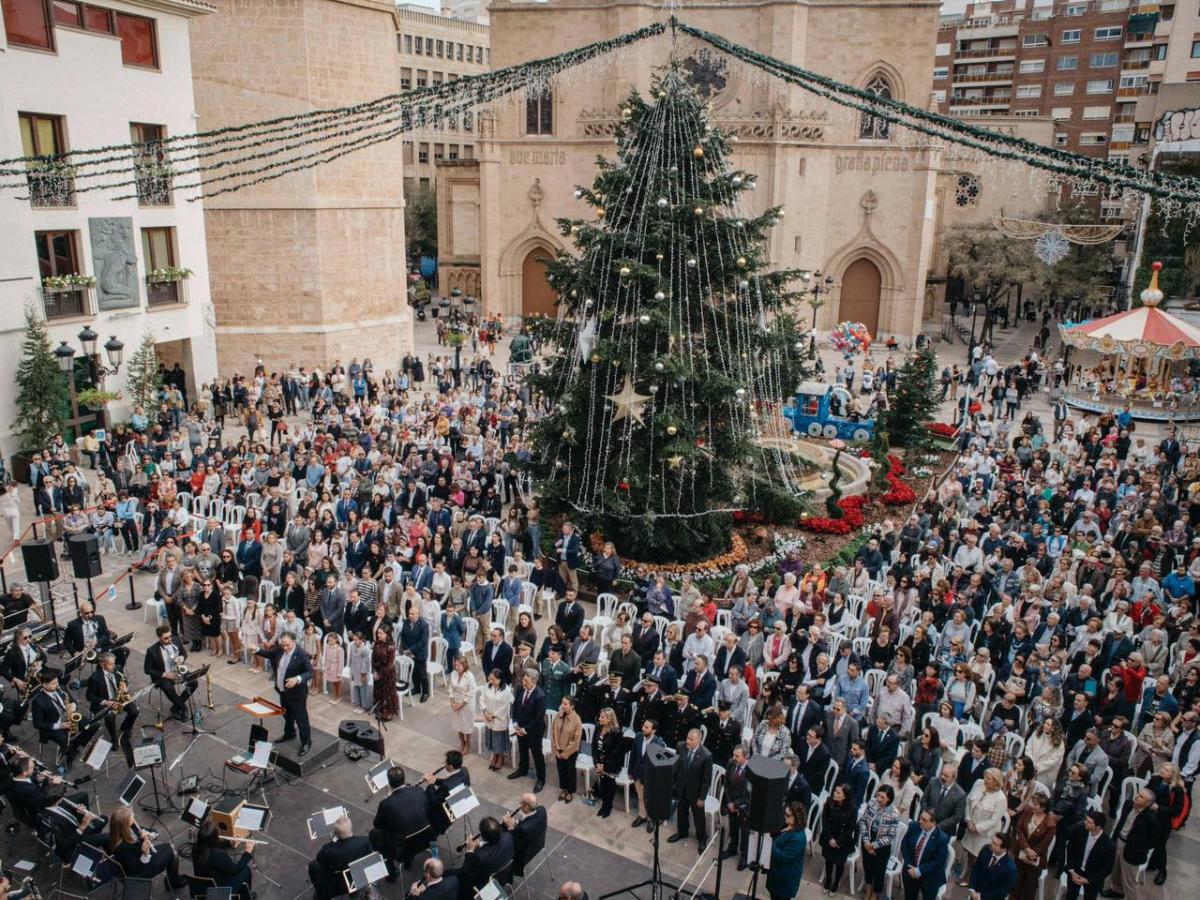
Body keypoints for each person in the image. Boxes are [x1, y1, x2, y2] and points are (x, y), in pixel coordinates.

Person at [254, 631, 313, 756]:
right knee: (286, 714)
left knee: (301, 718)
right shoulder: (280, 649)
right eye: (283, 645)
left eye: (287, 645)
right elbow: (270, 653)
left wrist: (297, 679)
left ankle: (307, 742)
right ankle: (289, 733)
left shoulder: (302, 655)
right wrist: (258, 649)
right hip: (282, 690)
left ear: (293, 642)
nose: (285, 648)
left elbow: (309, 672)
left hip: (297, 694)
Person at [370, 766, 433, 876]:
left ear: (389, 784)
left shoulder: (386, 804)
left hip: (402, 848)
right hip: (425, 839)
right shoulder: (419, 791)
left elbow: (377, 824)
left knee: (374, 834)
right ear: (404, 779)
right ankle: (408, 861)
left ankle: (391, 871)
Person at [1107, 787, 1162, 899]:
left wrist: (1139, 847)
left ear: (1148, 803)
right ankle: (1117, 891)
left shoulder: (1151, 819)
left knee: (1129, 881)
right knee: (1114, 871)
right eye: (1138, 794)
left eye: (1141, 797)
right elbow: (1121, 823)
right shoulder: (1128, 804)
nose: (1137, 796)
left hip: (1132, 850)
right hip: (1119, 841)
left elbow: (1155, 841)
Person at [107, 806, 183, 887]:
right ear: (125, 824)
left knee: (170, 846)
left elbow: (153, 831)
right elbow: (135, 869)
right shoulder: (122, 848)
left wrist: (150, 835)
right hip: (140, 871)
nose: (133, 816)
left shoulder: (130, 827)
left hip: (141, 857)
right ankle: (173, 882)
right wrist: (145, 854)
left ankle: (173, 879)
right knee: (174, 854)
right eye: (131, 817)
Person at [959, 767, 1007, 887]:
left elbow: (994, 820)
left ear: (996, 781)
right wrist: (968, 819)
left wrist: (977, 827)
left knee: (979, 857)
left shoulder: (1001, 798)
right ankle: (968, 874)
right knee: (970, 853)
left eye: (989, 779)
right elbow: (968, 802)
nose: (985, 780)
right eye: (985, 777)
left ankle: (972, 878)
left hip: (985, 834)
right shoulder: (979, 784)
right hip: (971, 827)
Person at [86, 652, 138, 758]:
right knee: (110, 717)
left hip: (118, 697)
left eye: (114, 663)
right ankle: (114, 738)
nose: (114, 666)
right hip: (105, 701)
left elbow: (124, 680)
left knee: (134, 711)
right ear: (102, 664)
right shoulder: (95, 678)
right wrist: (106, 702)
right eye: (111, 664)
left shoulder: (117, 668)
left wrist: (125, 686)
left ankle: (125, 728)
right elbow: (89, 696)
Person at [308, 816, 372, 900]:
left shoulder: (328, 849)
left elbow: (320, 859)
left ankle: (322, 896)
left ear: (336, 833)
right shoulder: (365, 841)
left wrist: (333, 840)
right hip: (357, 877)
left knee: (313, 865)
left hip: (337, 884)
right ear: (350, 827)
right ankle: (354, 891)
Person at [669, 727, 713, 849]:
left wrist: (702, 797)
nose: (688, 741)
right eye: (688, 738)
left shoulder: (706, 756)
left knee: (698, 817)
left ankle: (702, 837)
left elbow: (706, 779)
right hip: (681, 788)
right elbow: (675, 766)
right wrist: (672, 785)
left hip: (696, 792)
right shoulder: (680, 746)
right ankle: (682, 832)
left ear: (698, 741)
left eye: (692, 739)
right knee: (681, 812)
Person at [451, 816, 514, 900]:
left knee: (449, 874)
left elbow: (466, 871)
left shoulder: (478, 857)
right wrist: (480, 845)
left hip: (481, 882)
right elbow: (494, 847)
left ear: (483, 836)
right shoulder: (509, 837)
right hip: (502, 877)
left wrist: (470, 851)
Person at [143, 624, 195, 722]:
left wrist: (181, 658)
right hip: (164, 675)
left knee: (194, 682)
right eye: (166, 638)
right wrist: (164, 674)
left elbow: (184, 653)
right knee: (169, 688)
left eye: (170, 636)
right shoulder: (152, 651)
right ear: (159, 638)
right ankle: (183, 708)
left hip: (177, 670)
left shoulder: (175, 640)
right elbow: (147, 669)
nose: (170, 639)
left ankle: (176, 706)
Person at [1011, 792, 1057, 900]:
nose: (1032, 805)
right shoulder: (1027, 812)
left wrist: (1032, 853)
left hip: (1036, 858)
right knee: (1016, 881)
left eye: (1035, 804)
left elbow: (1045, 843)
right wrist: (1026, 848)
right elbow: (1019, 829)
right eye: (1032, 802)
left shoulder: (1050, 824)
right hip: (1021, 851)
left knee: (1029, 885)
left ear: (1043, 808)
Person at [192, 820, 254, 900]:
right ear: (215, 838)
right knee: (246, 870)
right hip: (221, 888)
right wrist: (247, 852)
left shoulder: (195, 848)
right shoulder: (218, 856)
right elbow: (235, 870)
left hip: (203, 884)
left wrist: (229, 843)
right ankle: (246, 896)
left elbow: (210, 846)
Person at [859, 785, 901, 900]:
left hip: (882, 845)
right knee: (867, 867)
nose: (878, 799)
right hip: (868, 838)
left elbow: (891, 836)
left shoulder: (894, 813)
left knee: (879, 872)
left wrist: (874, 845)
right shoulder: (872, 803)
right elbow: (863, 821)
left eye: (882, 797)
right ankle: (868, 891)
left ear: (889, 799)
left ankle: (875, 894)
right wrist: (867, 841)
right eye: (878, 795)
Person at [900, 807, 951, 900]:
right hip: (910, 871)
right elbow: (904, 845)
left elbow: (939, 861)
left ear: (933, 823)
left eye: (924, 820)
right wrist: (909, 866)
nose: (920, 821)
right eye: (920, 818)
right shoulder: (913, 826)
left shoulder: (942, 839)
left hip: (929, 876)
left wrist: (919, 871)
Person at [1063, 811, 1116, 900]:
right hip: (1075, 870)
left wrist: (1088, 880)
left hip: (1093, 877)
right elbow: (1070, 850)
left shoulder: (1109, 845)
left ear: (1098, 827)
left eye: (1089, 822)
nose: (1085, 822)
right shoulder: (1079, 830)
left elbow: (1107, 868)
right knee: (1070, 896)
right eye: (1086, 820)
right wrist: (1072, 870)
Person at [509, 670, 547, 792]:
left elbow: (539, 718)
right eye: (523, 680)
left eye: (526, 681)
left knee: (537, 755)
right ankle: (523, 769)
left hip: (534, 731)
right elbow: (515, 707)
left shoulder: (540, 696)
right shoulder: (520, 689)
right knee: (522, 750)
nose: (523, 683)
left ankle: (541, 779)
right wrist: (515, 723)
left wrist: (525, 730)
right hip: (520, 727)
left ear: (534, 681)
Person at [63, 601, 129, 669]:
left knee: (123, 651)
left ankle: (118, 672)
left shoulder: (99, 618)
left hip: (102, 646)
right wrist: (74, 652)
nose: (90, 615)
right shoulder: (73, 625)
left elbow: (106, 634)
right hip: (86, 651)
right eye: (87, 613)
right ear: (81, 613)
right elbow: (67, 642)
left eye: (92, 612)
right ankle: (102, 674)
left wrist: (97, 642)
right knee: (105, 661)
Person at [820, 783, 858, 893]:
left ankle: (836, 883)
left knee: (840, 863)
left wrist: (838, 841)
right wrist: (830, 838)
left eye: (838, 792)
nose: (834, 794)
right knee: (829, 860)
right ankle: (828, 881)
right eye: (835, 791)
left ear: (845, 796)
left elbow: (850, 829)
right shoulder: (829, 801)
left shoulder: (852, 809)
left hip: (843, 840)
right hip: (829, 836)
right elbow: (825, 821)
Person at [765, 802, 807, 900]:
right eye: (785, 813)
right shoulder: (788, 826)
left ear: (797, 817)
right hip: (777, 874)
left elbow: (783, 857)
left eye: (788, 815)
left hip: (785, 879)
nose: (785, 817)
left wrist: (769, 842)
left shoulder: (798, 838)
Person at [505, 793, 548, 878]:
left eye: (521, 803)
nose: (519, 804)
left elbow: (515, 844)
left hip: (524, 856)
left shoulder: (523, 830)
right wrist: (518, 823)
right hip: (539, 844)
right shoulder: (542, 810)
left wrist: (510, 828)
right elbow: (531, 824)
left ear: (526, 807)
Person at [968, 832, 1017, 900]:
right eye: (992, 841)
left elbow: (1003, 891)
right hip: (974, 895)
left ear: (1004, 849)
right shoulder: (985, 850)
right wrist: (972, 889)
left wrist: (981, 896)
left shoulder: (1010, 868)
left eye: (995, 844)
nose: (991, 844)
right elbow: (975, 869)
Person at [482, 668, 513, 772]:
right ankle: (494, 755)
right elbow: (482, 698)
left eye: (493, 679)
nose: (490, 681)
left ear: (500, 680)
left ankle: (500, 757)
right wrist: (486, 712)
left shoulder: (506, 690)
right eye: (490, 679)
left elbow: (504, 706)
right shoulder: (487, 686)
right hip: (488, 717)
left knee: (499, 740)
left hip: (499, 719)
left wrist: (493, 715)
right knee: (493, 739)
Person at [552, 696, 582, 803]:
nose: (562, 705)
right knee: (561, 771)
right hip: (558, 749)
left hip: (570, 752)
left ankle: (570, 791)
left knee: (570, 772)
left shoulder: (577, 720)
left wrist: (565, 752)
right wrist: (556, 748)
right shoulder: (558, 715)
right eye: (562, 703)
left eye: (565, 704)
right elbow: (553, 731)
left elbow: (576, 740)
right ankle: (563, 789)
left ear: (572, 706)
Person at [922, 763, 967, 835]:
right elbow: (924, 799)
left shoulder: (960, 795)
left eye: (946, 776)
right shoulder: (933, 781)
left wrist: (937, 826)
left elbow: (957, 817)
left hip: (944, 830)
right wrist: (927, 817)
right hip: (926, 822)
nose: (942, 777)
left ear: (953, 778)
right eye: (942, 774)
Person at [401, 605, 431, 703]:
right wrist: (406, 650)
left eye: (412, 614)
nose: (410, 616)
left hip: (420, 653)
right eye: (409, 613)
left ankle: (426, 692)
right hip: (409, 652)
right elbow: (403, 636)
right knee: (413, 672)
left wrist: (411, 650)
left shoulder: (424, 625)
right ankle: (417, 688)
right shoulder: (405, 622)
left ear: (418, 614)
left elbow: (423, 642)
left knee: (422, 673)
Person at [448, 656, 477, 756]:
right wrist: (452, 701)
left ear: (464, 666)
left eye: (458, 666)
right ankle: (462, 741)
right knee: (458, 724)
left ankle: (467, 743)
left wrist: (461, 705)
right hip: (456, 701)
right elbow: (451, 688)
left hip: (467, 704)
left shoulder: (470, 676)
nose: (456, 667)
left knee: (467, 725)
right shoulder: (453, 674)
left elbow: (471, 692)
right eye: (455, 665)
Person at [371, 626, 399, 721]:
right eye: (378, 633)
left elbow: (390, 664)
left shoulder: (391, 646)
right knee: (378, 692)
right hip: (377, 672)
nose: (378, 635)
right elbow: (373, 658)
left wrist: (380, 674)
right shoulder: (376, 643)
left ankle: (388, 713)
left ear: (386, 634)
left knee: (386, 693)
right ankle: (380, 710)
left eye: (381, 633)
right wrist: (374, 671)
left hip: (387, 674)